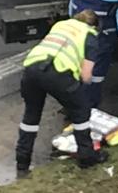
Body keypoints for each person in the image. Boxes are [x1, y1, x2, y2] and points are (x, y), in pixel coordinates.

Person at [16, 11, 109, 172]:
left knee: (31, 115)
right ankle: (87, 157)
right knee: (80, 110)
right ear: (94, 26)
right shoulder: (90, 35)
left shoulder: (61, 25)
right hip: (59, 74)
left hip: (31, 69)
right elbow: (86, 76)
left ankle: (22, 161)